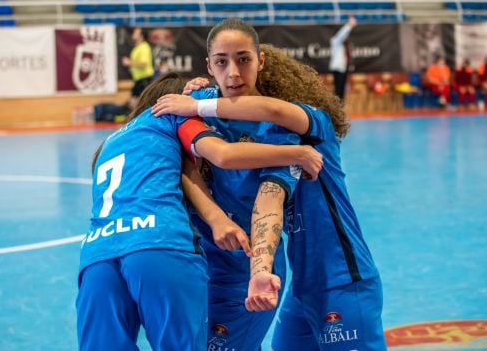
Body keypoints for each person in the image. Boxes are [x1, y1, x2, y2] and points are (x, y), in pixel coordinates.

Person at [154, 43, 387, 350]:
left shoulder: (314, 123)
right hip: (303, 284)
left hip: (342, 276)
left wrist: (198, 106)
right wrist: (196, 91)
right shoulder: (274, 145)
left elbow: (271, 111)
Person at [76, 72, 323, 351]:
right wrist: (298, 154)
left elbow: (181, 172)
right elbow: (222, 153)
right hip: (160, 243)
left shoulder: (110, 142)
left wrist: (215, 218)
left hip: (97, 255)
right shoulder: (175, 114)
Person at [154, 18, 309, 351]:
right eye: (221, 62)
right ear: (208, 66)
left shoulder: (279, 129)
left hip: (242, 273)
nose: (233, 73)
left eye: (243, 59)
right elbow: (178, 166)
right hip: (190, 266)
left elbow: (269, 202)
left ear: (260, 60)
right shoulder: (193, 102)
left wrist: (260, 270)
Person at [121, 27, 154, 109]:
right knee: (134, 103)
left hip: (144, 79)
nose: (133, 34)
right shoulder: (137, 48)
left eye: (136, 33)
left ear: (141, 35)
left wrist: (129, 62)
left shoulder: (144, 47)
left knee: (137, 104)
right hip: (138, 79)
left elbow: (144, 64)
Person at [329, 16, 357, 100]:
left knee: (342, 90)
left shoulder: (344, 45)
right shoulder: (335, 41)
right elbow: (342, 34)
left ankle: (340, 106)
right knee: (338, 89)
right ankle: (337, 107)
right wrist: (349, 25)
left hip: (343, 68)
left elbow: (343, 35)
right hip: (337, 68)